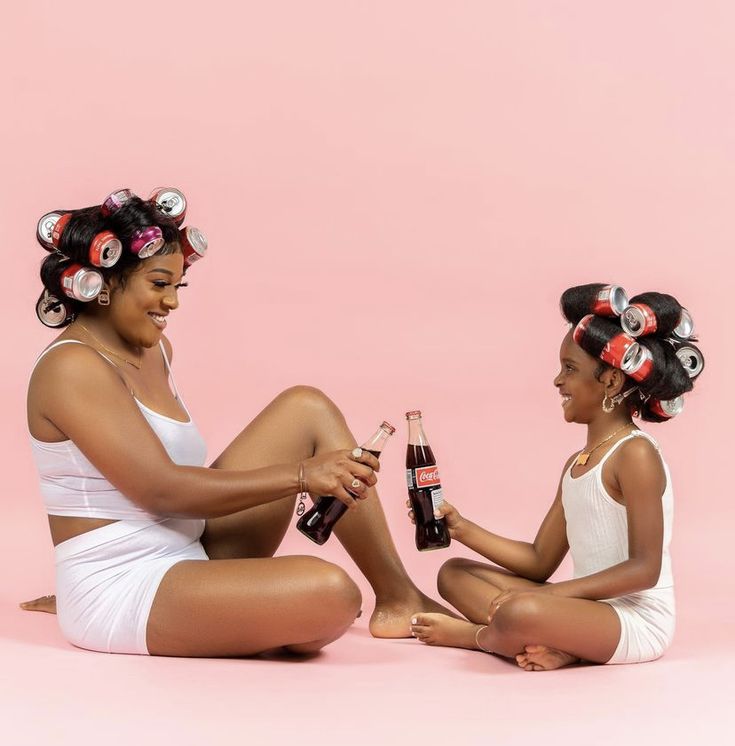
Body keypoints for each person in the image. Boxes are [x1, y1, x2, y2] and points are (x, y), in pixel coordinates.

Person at [24, 188, 446, 656]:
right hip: (125, 585)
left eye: (178, 286)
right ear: (101, 285)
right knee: (330, 592)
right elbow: (160, 490)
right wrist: (303, 476)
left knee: (306, 407)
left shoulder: (156, 351)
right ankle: (236, 613)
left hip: (192, 552)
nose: (172, 304)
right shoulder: (72, 368)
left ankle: (397, 596)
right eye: (158, 284)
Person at [409, 284, 702, 670]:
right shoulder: (576, 464)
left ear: (611, 382)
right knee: (454, 574)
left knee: (520, 611)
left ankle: (479, 638)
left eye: (570, 369)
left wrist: (555, 598)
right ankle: (559, 645)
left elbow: (644, 570)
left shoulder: (636, 454)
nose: (557, 382)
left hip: (633, 620)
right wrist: (461, 527)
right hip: (583, 608)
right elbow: (538, 561)